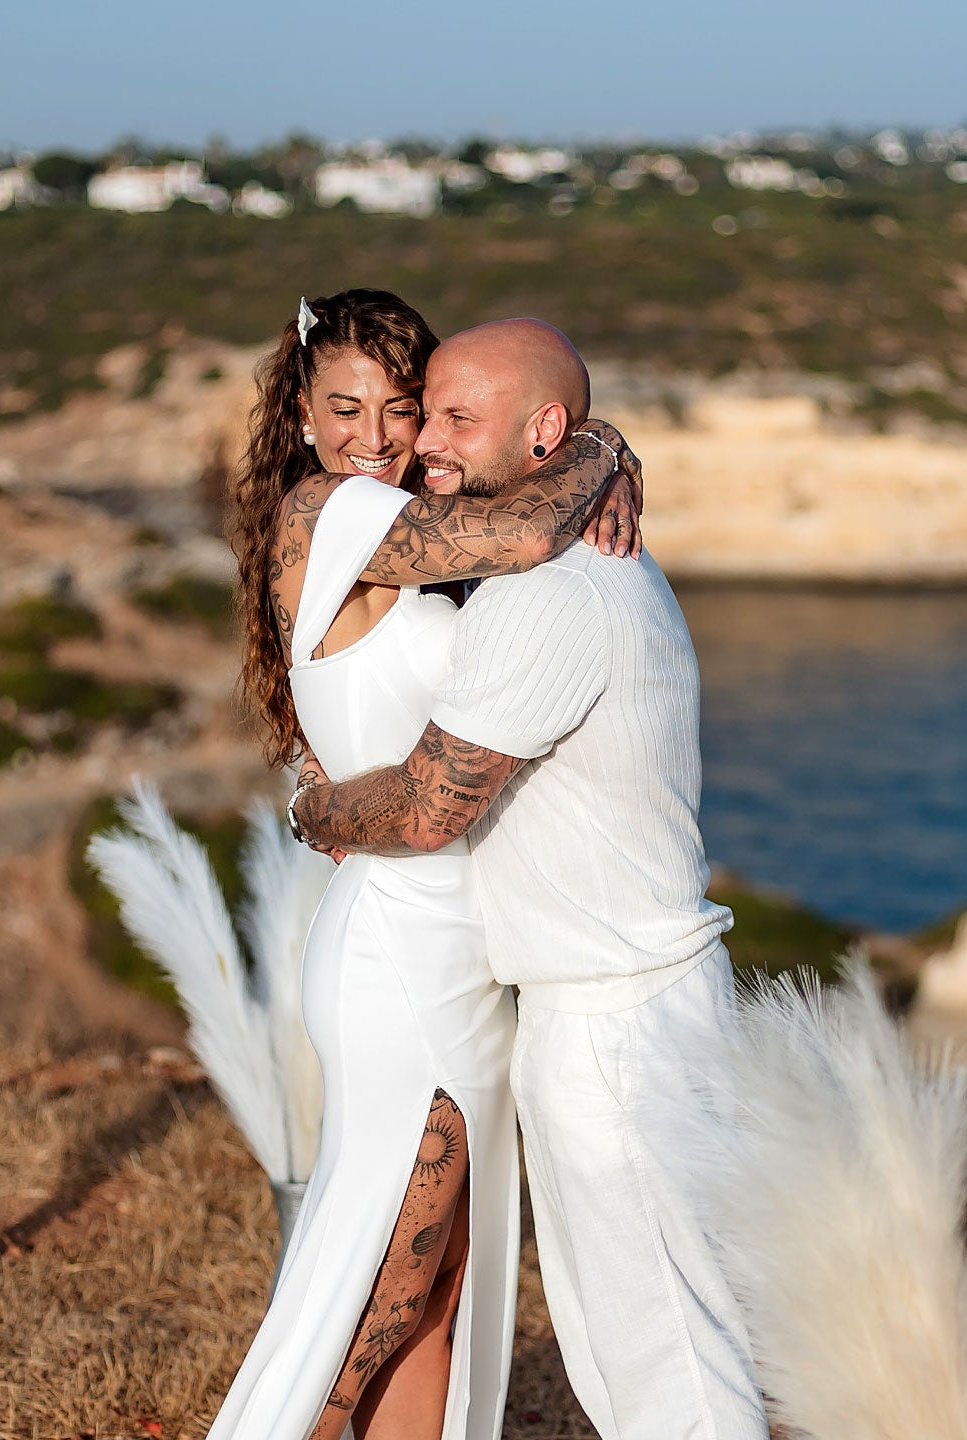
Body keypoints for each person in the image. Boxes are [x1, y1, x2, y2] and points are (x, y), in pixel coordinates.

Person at [292, 319, 770, 1440]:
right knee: (630, 1349)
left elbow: (427, 807)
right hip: (604, 1003)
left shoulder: (552, 590)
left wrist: (313, 810)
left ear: (543, 431)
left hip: (616, 1021)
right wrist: (602, 451)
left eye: (456, 419)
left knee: (668, 1360)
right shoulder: (545, 561)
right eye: (426, 414)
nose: (424, 442)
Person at [209, 289, 642, 1440]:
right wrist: (598, 444)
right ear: (302, 414)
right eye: (344, 407)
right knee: (378, 1295)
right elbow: (526, 533)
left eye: (400, 410)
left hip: (464, 943)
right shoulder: (330, 510)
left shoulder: (406, 536)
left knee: (438, 1285)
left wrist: (584, 463)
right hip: (404, 947)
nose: (373, 436)